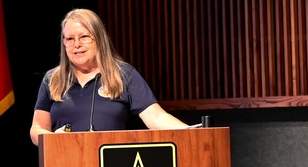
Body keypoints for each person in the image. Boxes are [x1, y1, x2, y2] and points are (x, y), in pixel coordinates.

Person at [29, 8, 189, 145]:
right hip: (64, 166)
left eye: (84, 37)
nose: (76, 44)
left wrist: (191, 132)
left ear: (99, 38)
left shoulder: (123, 74)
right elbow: (37, 128)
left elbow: (156, 117)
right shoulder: (52, 79)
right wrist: (53, 140)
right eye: (70, 39)